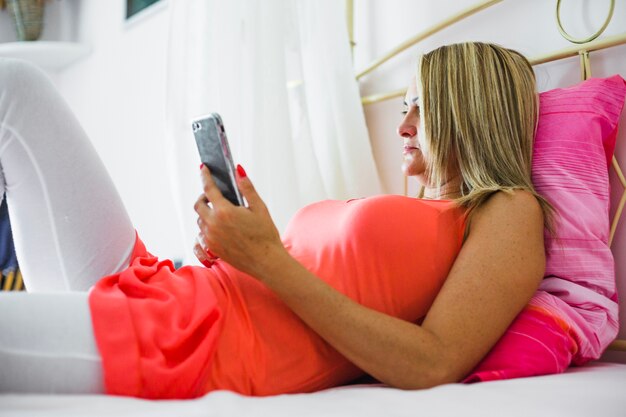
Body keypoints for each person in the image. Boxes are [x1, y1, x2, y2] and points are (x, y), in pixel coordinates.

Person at [0, 42, 577, 399]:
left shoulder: (509, 209)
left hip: (198, 344)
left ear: (470, 110)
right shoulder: (420, 211)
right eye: (402, 107)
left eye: (421, 106)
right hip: (170, 286)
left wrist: (266, 259)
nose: (403, 125)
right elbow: (289, 277)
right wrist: (237, 246)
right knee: (17, 87)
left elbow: (433, 362)